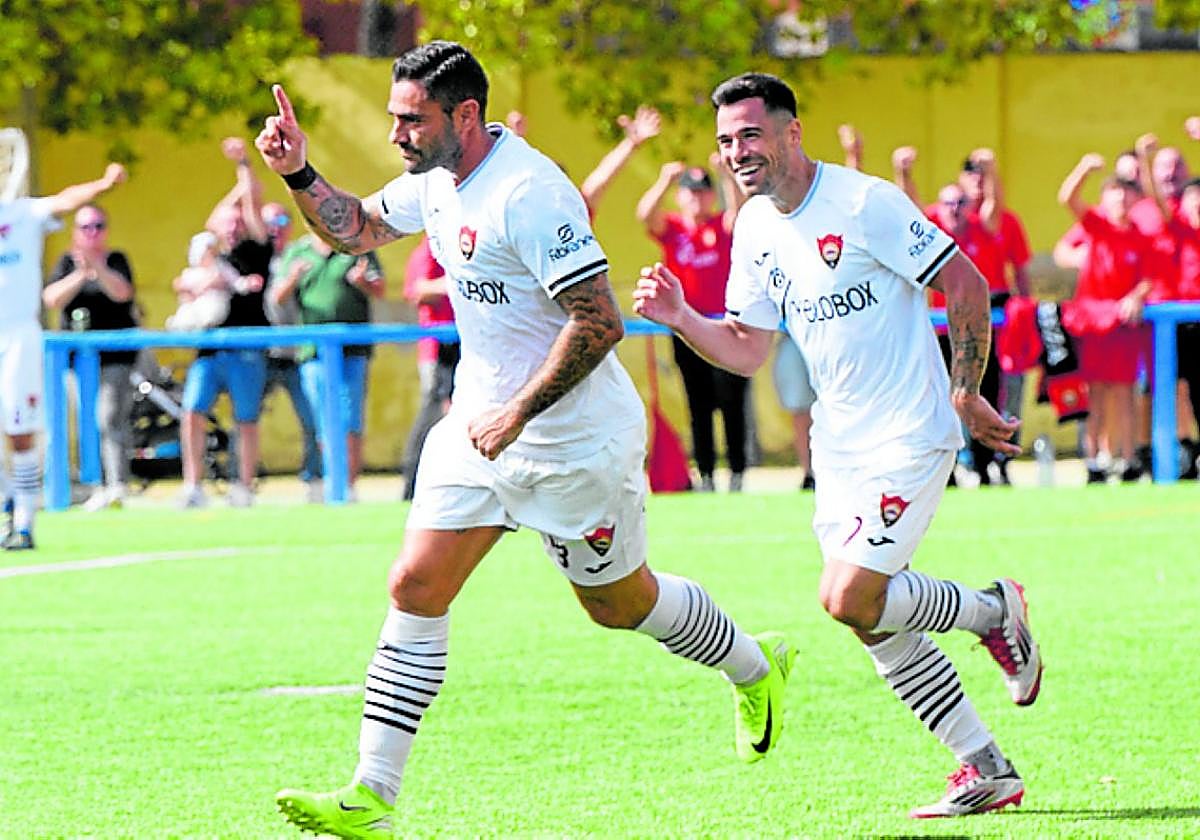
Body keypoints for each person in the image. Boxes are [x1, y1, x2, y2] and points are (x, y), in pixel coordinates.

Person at [255, 41, 791, 839]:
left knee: (619, 605)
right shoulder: (436, 179)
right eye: (397, 118)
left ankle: (755, 665)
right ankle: (372, 794)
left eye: (413, 119)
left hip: (575, 441)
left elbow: (600, 321)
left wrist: (519, 414)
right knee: (415, 586)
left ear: (464, 116)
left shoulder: (530, 194)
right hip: (476, 428)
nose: (398, 134)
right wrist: (299, 171)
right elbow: (358, 228)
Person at [634, 72, 1042, 819]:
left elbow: (968, 282)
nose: (736, 153)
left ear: (792, 132)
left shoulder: (864, 202)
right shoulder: (753, 227)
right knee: (866, 614)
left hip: (911, 431)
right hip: (840, 447)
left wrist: (964, 390)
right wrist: (682, 316)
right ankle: (985, 766)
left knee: (847, 596)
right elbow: (750, 348)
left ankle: (991, 611)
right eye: (726, 140)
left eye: (750, 134)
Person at [0, 162, 126, 549]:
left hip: (17, 334)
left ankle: (23, 521)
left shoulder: (22, 213)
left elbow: (68, 199)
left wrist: (103, 184)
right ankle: (9, 501)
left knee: (19, 431)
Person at [637, 161, 748, 491]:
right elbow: (645, 215)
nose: (698, 199)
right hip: (686, 327)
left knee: (732, 402)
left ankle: (738, 472)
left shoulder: (721, 225)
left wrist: (727, 176)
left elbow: (739, 214)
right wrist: (664, 179)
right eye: (691, 192)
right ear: (681, 196)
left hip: (726, 326)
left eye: (703, 192)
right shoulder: (675, 229)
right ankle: (707, 474)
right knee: (697, 402)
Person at [177, 137, 273, 508]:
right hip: (210, 347)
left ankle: (244, 487)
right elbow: (216, 218)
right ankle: (193, 486)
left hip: (246, 346)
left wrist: (245, 166)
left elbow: (251, 206)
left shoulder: (256, 251)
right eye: (226, 225)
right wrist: (235, 188)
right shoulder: (211, 255)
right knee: (192, 412)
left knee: (245, 418)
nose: (231, 229)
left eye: (237, 224)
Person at [1058, 154, 1154, 483]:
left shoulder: (1141, 237)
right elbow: (1067, 197)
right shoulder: (1097, 225)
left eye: (1127, 193)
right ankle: (1094, 460)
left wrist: (1135, 297)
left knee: (1124, 392)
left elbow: (1149, 277)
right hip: (1092, 321)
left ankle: (1127, 460)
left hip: (1124, 326)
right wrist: (1084, 167)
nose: (1121, 199)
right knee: (1095, 392)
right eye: (1114, 192)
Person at [272, 232, 385, 498]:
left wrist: (362, 282)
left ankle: (350, 486)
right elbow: (277, 297)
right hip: (314, 350)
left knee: (350, 417)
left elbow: (380, 289)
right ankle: (334, 480)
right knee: (324, 419)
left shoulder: (358, 246)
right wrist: (293, 278)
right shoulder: (297, 251)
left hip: (352, 348)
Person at [42, 203, 139, 511]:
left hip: (114, 357)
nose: (92, 233)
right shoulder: (66, 263)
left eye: (98, 226)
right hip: (75, 360)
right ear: (76, 232)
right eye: (85, 227)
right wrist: (81, 274)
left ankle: (116, 485)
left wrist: (98, 268)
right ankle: (90, 485)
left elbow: (123, 293)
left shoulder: (117, 259)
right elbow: (52, 299)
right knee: (83, 419)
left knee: (108, 416)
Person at [261, 201, 323, 502]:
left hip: (296, 352)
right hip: (262, 353)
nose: (276, 227)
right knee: (246, 418)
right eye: (269, 222)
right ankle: (241, 479)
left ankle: (313, 479)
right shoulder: (255, 257)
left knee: (311, 419)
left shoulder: (300, 253)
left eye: (282, 219)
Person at [399, 235, 457, 501]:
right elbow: (418, 290)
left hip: (462, 343)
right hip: (440, 347)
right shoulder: (432, 248)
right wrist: (459, 280)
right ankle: (412, 483)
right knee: (433, 413)